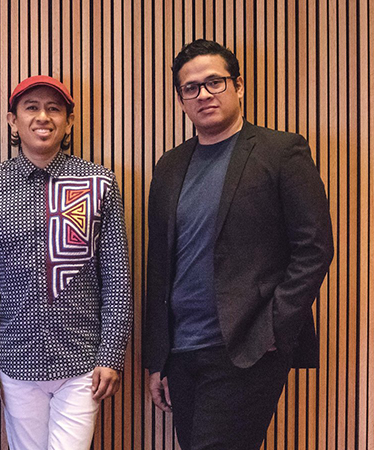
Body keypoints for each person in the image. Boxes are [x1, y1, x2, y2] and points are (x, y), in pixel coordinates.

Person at [143, 39, 334, 450]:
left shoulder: (281, 151)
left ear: (239, 86)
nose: (204, 94)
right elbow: (159, 267)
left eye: (215, 82)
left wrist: (274, 326)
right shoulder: (169, 166)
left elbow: (315, 246)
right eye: (190, 88)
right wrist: (157, 360)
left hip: (245, 346)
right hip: (182, 351)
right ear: (180, 100)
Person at [0, 75, 133, 449]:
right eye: (31, 107)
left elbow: (117, 277)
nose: (43, 117)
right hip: (17, 360)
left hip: (83, 360)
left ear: (69, 121)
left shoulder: (99, 182)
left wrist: (112, 354)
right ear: (12, 120)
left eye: (54, 109)